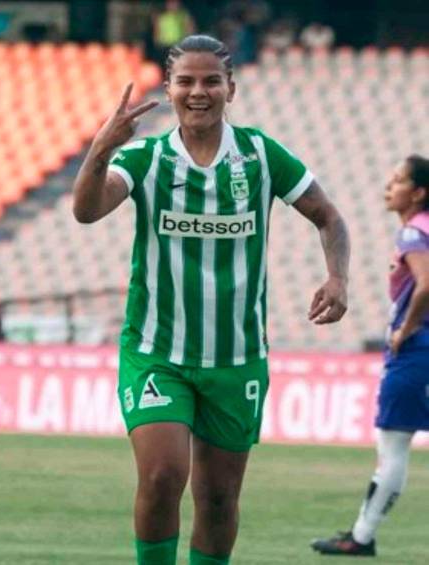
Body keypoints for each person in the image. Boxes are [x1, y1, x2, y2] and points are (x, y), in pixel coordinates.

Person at [71, 34, 350, 565]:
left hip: (236, 357)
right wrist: (101, 148)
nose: (198, 91)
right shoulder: (148, 156)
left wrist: (337, 278)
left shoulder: (261, 155)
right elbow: (87, 211)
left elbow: (329, 217)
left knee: (219, 498)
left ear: (231, 89)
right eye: (185, 81)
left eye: (210, 81)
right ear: (170, 89)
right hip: (156, 351)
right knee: (161, 475)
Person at [311, 155, 429, 557]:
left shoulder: (414, 234)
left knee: (393, 443)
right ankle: (361, 533)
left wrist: (405, 329)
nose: (388, 186)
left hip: (417, 350)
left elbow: (426, 285)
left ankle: (362, 536)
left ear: (418, 193)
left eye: (398, 180)